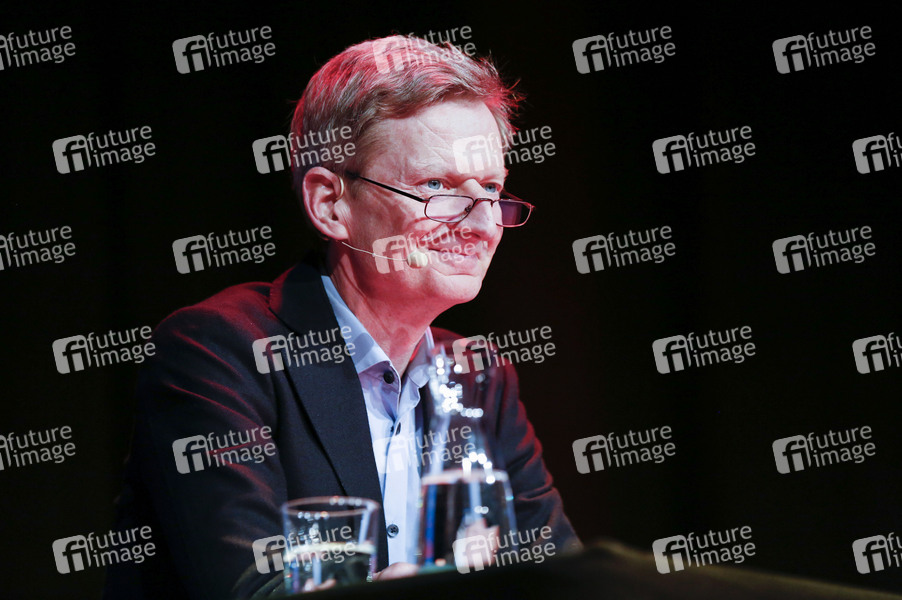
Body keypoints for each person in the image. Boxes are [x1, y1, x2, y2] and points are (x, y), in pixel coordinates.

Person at [104, 35, 579, 600]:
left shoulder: (479, 374)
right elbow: (253, 590)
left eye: (493, 190)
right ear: (331, 204)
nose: (481, 224)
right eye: (437, 186)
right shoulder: (220, 351)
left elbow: (564, 579)